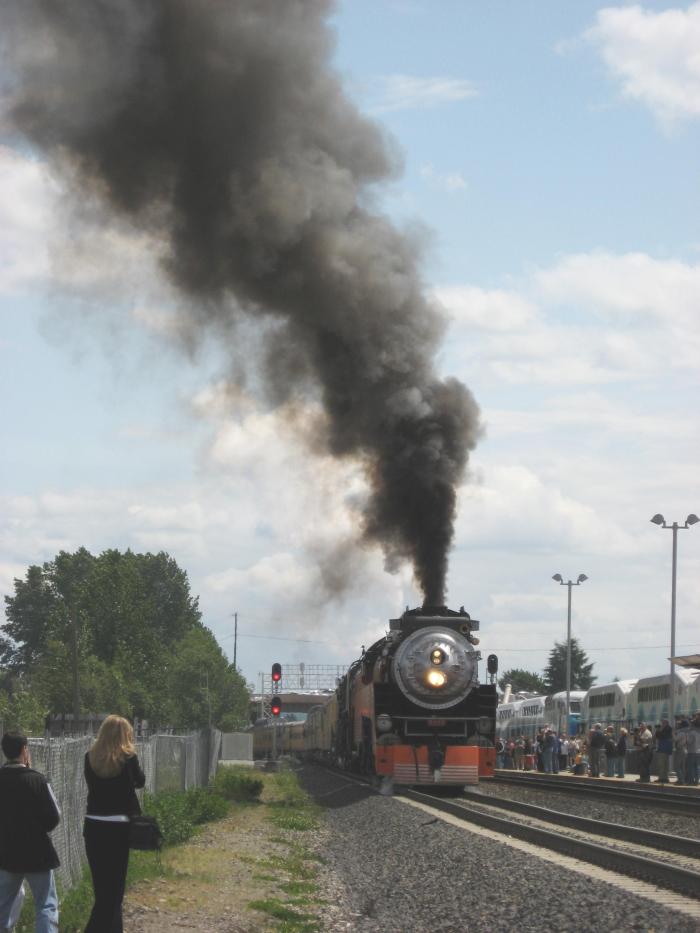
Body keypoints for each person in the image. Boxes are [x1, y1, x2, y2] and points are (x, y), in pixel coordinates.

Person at [83, 715, 145, 933]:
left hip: (93, 825)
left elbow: (93, 784)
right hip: (118, 826)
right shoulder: (128, 758)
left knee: (102, 888)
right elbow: (140, 781)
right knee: (115, 890)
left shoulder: (89, 757)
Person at [0, 731, 60, 933]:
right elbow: (54, 816)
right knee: (45, 904)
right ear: (25, 750)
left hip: (6, 853)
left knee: (3, 905)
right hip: (38, 853)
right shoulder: (37, 780)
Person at [654, 719, 673, 784]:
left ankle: (662, 778)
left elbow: (659, 736)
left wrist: (658, 730)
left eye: (663, 723)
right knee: (665, 765)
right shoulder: (669, 729)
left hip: (663, 749)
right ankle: (665, 778)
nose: (662, 724)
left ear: (666, 723)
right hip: (667, 749)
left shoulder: (666, 729)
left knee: (661, 764)